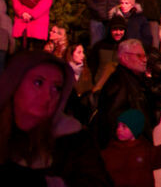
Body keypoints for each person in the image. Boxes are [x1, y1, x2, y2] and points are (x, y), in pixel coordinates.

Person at [0, 51, 110, 185]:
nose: (48, 96)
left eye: (56, 88)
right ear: (14, 83)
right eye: (38, 83)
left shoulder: (75, 140)